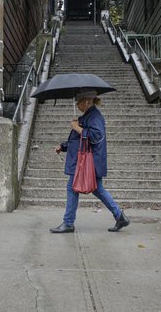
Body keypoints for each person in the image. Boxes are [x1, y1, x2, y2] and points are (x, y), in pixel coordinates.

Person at [50, 89, 130, 233]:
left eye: (78, 102)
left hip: (87, 162)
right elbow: (78, 141)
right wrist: (63, 146)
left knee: (72, 188)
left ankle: (68, 223)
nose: (77, 104)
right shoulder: (88, 116)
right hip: (86, 161)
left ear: (86, 101)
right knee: (97, 189)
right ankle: (119, 216)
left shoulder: (95, 117)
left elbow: (95, 137)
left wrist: (77, 128)